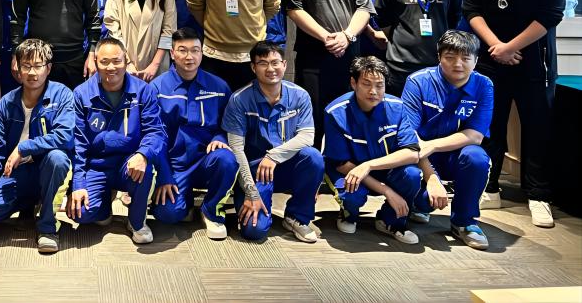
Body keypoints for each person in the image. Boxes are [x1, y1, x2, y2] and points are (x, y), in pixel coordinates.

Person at [463, 0, 566, 227]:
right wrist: (497, 46)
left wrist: (511, 47)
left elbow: (551, 14)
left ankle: (538, 195)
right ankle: (490, 186)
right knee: (490, 126)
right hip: (492, 63)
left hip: (536, 65)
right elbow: (472, 10)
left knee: (537, 130)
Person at [0, 39, 74, 254]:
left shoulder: (63, 94)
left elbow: (65, 135)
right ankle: (29, 203)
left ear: (48, 68)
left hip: (46, 168)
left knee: (57, 158)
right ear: (17, 68)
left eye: (38, 66)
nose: (32, 72)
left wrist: (24, 148)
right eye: (26, 66)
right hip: (17, 173)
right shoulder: (6, 103)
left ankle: (47, 227)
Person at [401, 30, 494, 250]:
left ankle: (464, 221)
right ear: (439, 57)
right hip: (420, 156)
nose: (458, 64)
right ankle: (419, 205)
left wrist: (433, 145)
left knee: (477, 158)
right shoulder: (418, 82)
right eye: (450, 57)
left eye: (465, 58)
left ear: (476, 60)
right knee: (421, 198)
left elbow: (475, 136)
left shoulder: (484, 85)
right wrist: (432, 177)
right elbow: (409, 136)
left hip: (452, 153)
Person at [283, 0, 373, 145]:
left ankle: (343, 162)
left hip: (349, 56)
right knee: (312, 115)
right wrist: (327, 37)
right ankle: (314, 161)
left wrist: (346, 36)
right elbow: (295, 11)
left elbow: (364, 9)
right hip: (312, 58)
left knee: (348, 113)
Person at [222, 41, 323, 243]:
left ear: (284, 65)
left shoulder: (300, 95)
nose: (270, 69)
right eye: (263, 63)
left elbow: (307, 137)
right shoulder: (239, 99)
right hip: (254, 171)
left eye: (275, 62)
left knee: (313, 157)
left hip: (285, 164)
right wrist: (251, 192)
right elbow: (236, 149)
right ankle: (256, 205)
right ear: (253, 67)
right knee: (254, 231)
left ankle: (297, 217)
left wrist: (273, 157)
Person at [68, 37, 166, 245]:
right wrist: (78, 184)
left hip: (129, 163)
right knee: (80, 212)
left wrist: (143, 154)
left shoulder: (144, 91)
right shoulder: (81, 94)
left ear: (126, 61)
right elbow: (79, 144)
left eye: (116, 61)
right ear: (95, 62)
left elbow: (156, 132)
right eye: (104, 62)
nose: (111, 67)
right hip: (97, 165)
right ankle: (104, 208)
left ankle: (137, 222)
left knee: (145, 167)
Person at [323, 56, 423, 245]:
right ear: (354, 83)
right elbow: (341, 163)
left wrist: (368, 166)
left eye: (379, 85)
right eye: (366, 84)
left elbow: (412, 153)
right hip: (349, 170)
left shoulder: (398, 107)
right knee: (352, 192)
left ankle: (390, 221)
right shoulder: (335, 112)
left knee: (412, 175)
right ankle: (349, 214)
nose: (373, 91)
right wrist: (387, 191)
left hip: (381, 168)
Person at [150, 29, 237, 240]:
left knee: (226, 159)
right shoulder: (157, 88)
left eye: (195, 50)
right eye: (183, 50)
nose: (189, 56)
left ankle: (210, 210)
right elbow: (154, 136)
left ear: (202, 52)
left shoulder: (219, 86)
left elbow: (228, 126)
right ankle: (185, 202)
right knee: (167, 214)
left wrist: (219, 138)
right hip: (175, 164)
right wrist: (164, 175)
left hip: (207, 159)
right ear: (172, 53)